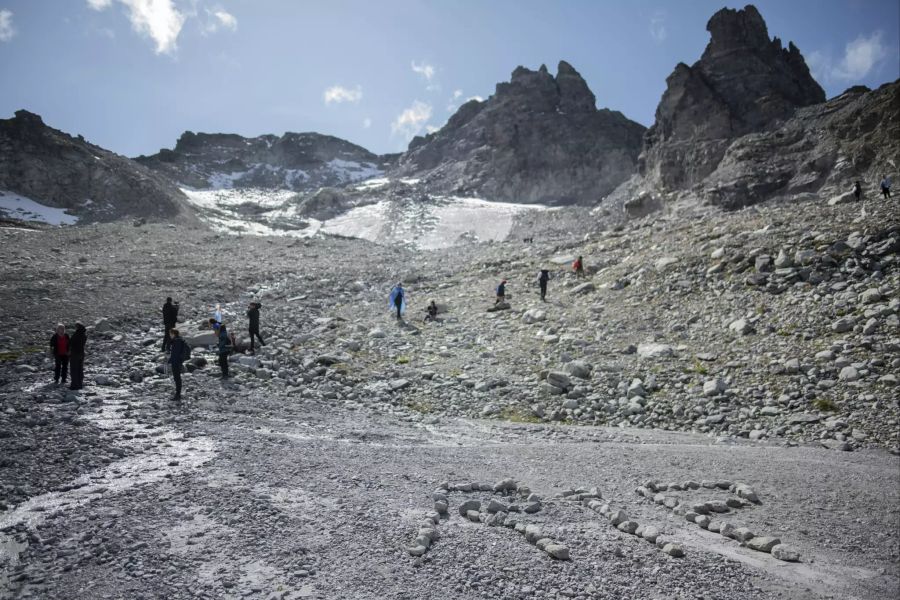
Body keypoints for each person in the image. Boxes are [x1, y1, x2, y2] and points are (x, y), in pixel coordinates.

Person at [168, 328, 190, 401]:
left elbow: (175, 353)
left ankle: (177, 395)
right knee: (177, 378)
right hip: (177, 361)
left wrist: (171, 361)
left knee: (177, 378)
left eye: (170, 334)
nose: (169, 335)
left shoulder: (177, 341)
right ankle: (178, 394)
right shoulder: (178, 340)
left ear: (173, 334)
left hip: (176, 362)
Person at [68, 322, 87, 391]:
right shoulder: (84, 335)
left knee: (74, 370)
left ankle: (74, 385)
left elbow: (71, 343)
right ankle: (80, 384)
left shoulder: (76, 335)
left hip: (74, 354)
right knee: (80, 369)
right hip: (81, 353)